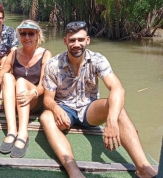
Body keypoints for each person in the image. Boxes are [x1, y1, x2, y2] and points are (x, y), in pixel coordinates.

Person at [40, 21, 157, 178]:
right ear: (65, 41)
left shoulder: (97, 60)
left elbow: (117, 88)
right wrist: (55, 109)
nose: (76, 44)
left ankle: (143, 168)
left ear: (87, 40)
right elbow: (48, 99)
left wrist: (112, 121)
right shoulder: (53, 64)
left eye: (80, 40)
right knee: (46, 116)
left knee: (117, 106)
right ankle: (73, 171)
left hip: (89, 109)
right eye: (72, 40)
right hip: (65, 110)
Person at [0, 20, 52, 158]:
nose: (26, 37)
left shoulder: (45, 54)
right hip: (17, 101)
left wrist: (32, 93)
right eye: (23, 33)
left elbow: (44, 85)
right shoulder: (14, 53)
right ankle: (12, 131)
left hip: (34, 99)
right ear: (19, 36)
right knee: (8, 78)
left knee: (21, 81)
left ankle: (23, 133)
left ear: (37, 35)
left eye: (30, 33)